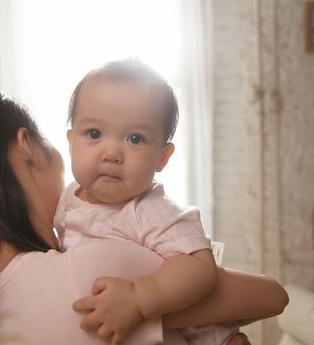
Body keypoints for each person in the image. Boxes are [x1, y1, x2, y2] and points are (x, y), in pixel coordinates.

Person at [0, 88, 288, 344]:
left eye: (133, 138)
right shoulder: (91, 274)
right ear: (26, 146)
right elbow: (270, 296)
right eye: (92, 134)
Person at [55, 59, 234, 344]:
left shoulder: (152, 210)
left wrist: (140, 298)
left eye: (135, 138)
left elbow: (199, 266)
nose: (111, 152)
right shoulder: (66, 198)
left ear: (162, 158)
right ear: (70, 141)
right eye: (94, 134)